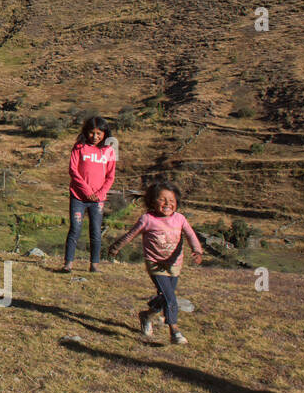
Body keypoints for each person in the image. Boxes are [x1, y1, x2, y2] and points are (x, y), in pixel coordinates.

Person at [109, 180, 203, 345]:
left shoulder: (180, 219)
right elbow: (131, 234)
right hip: (155, 264)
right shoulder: (147, 219)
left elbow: (190, 235)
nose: (167, 204)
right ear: (152, 201)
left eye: (172, 201)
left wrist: (197, 250)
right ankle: (174, 331)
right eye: (162, 199)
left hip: (174, 265)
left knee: (166, 297)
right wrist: (116, 247)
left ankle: (146, 315)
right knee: (170, 298)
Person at [63, 116, 117, 272]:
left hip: (97, 200)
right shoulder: (79, 147)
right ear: (86, 132)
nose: (95, 137)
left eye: (99, 133)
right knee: (75, 229)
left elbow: (110, 176)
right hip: (78, 197)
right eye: (92, 133)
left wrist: (100, 193)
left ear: (105, 134)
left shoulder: (109, 151)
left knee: (95, 231)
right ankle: (68, 264)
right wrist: (87, 191)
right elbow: (73, 170)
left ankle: (94, 264)